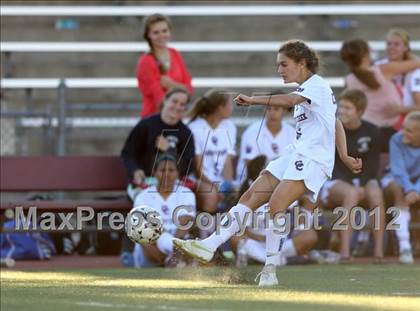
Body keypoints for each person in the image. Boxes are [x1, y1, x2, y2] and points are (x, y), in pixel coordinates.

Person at [173, 40, 362, 286]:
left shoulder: (316, 86)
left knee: (276, 205)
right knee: (250, 196)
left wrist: (253, 100)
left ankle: (270, 270)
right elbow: (334, 121)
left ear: (302, 63)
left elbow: (289, 102)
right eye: (278, 65)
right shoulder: (312, 90)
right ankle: (209, 245)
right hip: (296, 153)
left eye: (284, 64)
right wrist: (345, 155)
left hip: (313, 158)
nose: (279, 70)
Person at [120, 87, 195, 266]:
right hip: (145, 180)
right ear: (165, 101)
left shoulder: (185, 133)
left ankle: (182, 244)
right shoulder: (146, 125)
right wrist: (135, 170)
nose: (177, 107)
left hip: (172, 180)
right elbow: (127, 153)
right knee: (141, 201)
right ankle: (130, 250)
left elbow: (187, 163)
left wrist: (168, 150)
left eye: (182, 105)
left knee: (189, 199)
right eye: (174, 101)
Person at [319, 89, 385, 262]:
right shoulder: (331, 129)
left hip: (363, 179)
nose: (342, 111)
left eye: (348, 108)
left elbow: (373, 165)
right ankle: (345, 252)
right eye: (341, 106)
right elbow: (330, 164)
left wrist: (362, 183)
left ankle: (378, 253)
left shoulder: (373, 130)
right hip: (335, 180)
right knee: (351, 193)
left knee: (376, 193)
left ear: (360, 112)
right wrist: (355, 186)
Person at [340, 38, 420, 153]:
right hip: (393, 129)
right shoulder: (383, 70)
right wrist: (405, 51)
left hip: (367, 132)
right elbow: (417, 62)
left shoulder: (348, 79)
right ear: (366, 54)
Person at [132, 153, 196, 267]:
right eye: (162, 170)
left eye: (171, 170)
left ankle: (173, 259)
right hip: (152, 245)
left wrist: (175, 248)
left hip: (179, 241)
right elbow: (142, 229)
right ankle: (171, 260)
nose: (166, 174)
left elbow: (186, 221)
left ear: (177, 173)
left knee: (183, 240)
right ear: (155, 172)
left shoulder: (186, 193)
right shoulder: (143, 196)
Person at [187, 89, 237, 217]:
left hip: (219, 179)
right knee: (211, 195)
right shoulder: (195, 128)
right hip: (200, 179)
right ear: (220, 108)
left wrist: (228, 185)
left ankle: (231, 233)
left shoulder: (230, 127)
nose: (232, 108)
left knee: (240, 193)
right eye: (229, 104)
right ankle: (206, 233)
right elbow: (198, 169)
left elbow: (227, 162)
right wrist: (215, 187)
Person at [137, 14, 193, 118]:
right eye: (156, 32)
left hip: (175, 117)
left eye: (164, 31)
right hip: (154, 118)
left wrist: (172, 84)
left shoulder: (175, 54)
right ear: (148, 35)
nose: (161, 35)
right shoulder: (146, 62)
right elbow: (158, 99)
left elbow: (189, 89)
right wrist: (179, 88)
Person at [383, 111, 420, 264]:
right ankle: (405, 246)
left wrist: (416, 189)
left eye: (409, 131)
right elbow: (398, 171)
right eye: (403, 128)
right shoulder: (396, 139)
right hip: (394, 179)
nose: (403, 132)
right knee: (399, 189)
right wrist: (410, 189)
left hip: (416, 184)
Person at [235, 105, 295, 187]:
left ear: (285, 111)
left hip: (283, 181)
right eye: (268, 109)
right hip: (254, 181)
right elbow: (251, 165)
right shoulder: (252, 132)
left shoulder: (292, 133)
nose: (271, 113)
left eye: (276, 109)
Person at [375, 28, 420, 125]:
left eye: (396, 44)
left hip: (407, 124)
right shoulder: (379, 66)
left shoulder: (416, 71)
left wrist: (400, 110)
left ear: (406, 48)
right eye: (389, 44)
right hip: (380, 121)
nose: (391, 47)